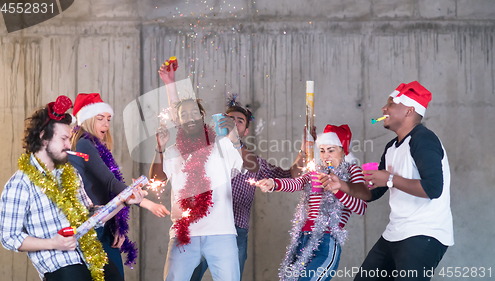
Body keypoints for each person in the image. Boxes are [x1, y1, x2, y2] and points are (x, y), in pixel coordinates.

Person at [0, 96, 145, 281]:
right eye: (64, 139)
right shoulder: (20, 184)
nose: (69, 145)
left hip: (91, 255)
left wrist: (124, 200)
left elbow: (90, 216)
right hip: (60, 265)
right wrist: (53, 243)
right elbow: (9, 237)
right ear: (44, 137)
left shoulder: (71, 174)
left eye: (69, 138)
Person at [328, 81, 453, 280]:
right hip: (395, 233)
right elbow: (372, 193)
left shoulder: (424, 139)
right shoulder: (391, 147)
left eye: (391, 104)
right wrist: (341, 185)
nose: (383, 108)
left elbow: (433, 188)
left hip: (425, 232)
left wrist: (390, 178)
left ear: (409, 110)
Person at [150, 62, 259, 281]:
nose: (190, 117)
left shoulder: (221, 143)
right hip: (184, 234)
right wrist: (159, 149)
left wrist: (233, 136)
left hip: (222, 234)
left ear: (202, 117)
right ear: (178, 121)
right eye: (183, 115)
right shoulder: (172, 151)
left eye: (194, 113)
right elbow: (156, 180)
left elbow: (247, 166)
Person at [190, 96, 312, 281]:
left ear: (245, 131)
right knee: (189, 276)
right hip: (204, 228)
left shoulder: (254, 163)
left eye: (239, 121)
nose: (233, 123)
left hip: (235, 231)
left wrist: (304, 150)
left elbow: (290, 176)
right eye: (229, 119)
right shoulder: (204, 153)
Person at [69, 93, 170, 280]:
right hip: (90, 225)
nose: (106, 124)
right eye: (100, 119)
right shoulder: (84, 144)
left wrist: (117, 225)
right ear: (87, 120)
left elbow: (107, 191)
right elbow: (111, 183)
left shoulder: (96, 146)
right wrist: (148, 204)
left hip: (104, 223)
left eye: (108, 119)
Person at [255, 124, 367, 281]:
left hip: (326, 241)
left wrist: (337, 189)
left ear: (343, 150)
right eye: (322, 150)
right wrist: (273, 184)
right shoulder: (316, 171)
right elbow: (296, 183)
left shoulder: (351, 171)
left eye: (331, 150)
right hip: (302, 240)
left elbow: (361, 207)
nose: (326, 155)